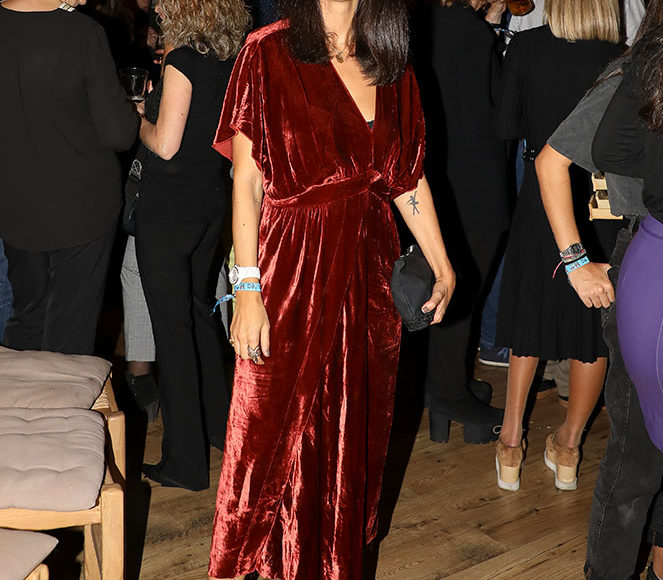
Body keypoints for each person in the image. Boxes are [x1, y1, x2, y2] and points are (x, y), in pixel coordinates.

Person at [207, 0, 456, 577]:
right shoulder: (267, 52)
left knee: (349, 431)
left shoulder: (390, 59)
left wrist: (443, 264)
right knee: (269, 435)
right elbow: (246, 181)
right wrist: (248, 289)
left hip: (369, 271)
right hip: (289, 267)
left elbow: (406, 177)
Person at [493, 0, 624, 492]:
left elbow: (506, 127)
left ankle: (510, 443)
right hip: (601, 200)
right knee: (592, 328)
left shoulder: (527, 47)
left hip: (541, 194)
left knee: (530, 313)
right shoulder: (621, 57)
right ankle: (568, 448)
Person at [135, 0, 249, 491]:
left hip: (169, 210)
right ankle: (220, 428)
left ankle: (184, 462)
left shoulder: (182, 59)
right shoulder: (230, 57)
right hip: (210, 203)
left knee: (173, 330)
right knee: (199, 314)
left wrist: (136, 116)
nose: (158, 6)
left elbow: (165, 144)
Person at [0, 0, 138, 356]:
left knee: (28, 318)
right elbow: (119, 134)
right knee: (68, 336)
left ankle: (22, 392)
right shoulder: (82, 33)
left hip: (15, 205)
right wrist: (132, 107)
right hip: (82, 207)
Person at [413, 0, 509, 444]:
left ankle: (440, 388)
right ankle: (449, 393)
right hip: (475, 182)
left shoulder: (420, 23)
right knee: (462, 291)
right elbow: (502, 117)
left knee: (436, 287)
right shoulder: (472, 35)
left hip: (433, 179)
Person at [592, 16, 663, 579]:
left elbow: (611, 148)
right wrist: (574, 261)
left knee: (638, 453)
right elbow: (562, 157)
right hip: (651, 265)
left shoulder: (652, 54)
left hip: (651, 260)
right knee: (636, 455)